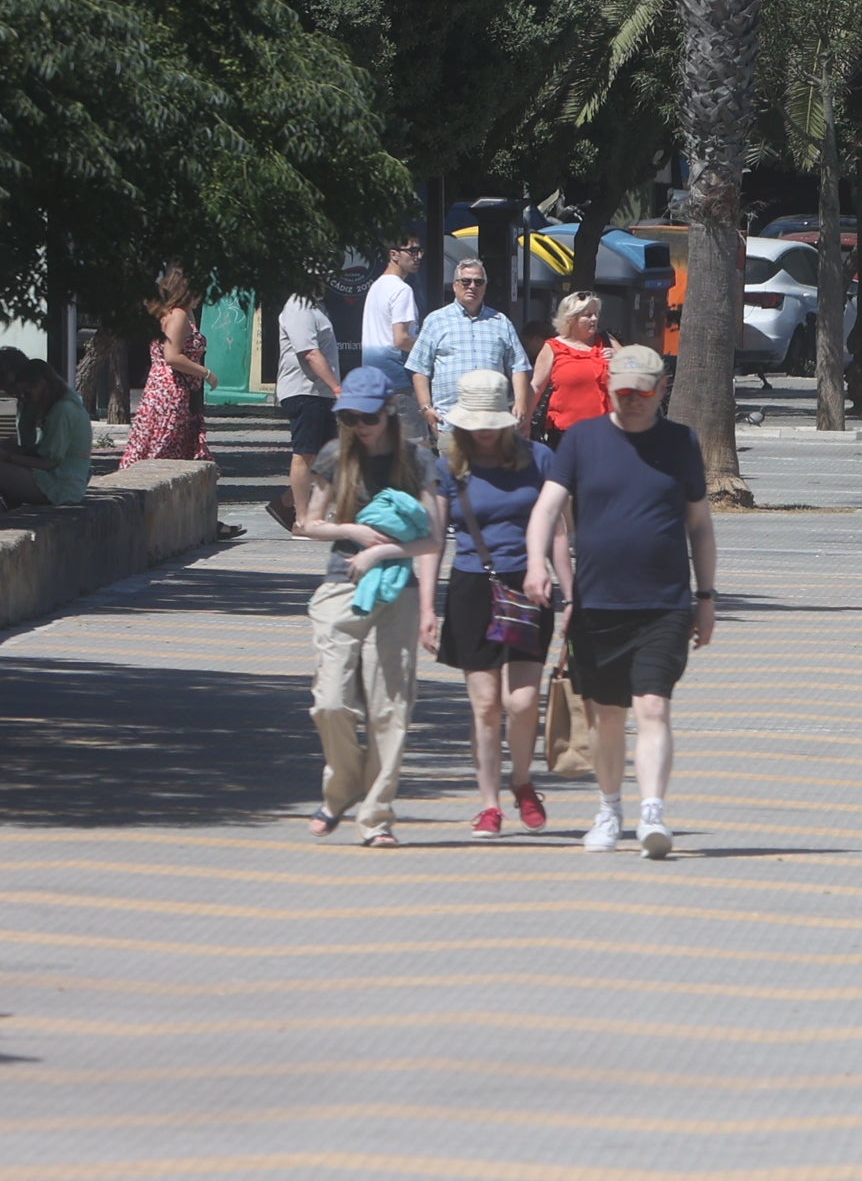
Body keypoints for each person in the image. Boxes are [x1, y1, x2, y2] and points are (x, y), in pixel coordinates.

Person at [524, 344, 716, 859]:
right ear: (609, 389)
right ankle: (610, 809)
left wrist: (706, 597)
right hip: (598, 604)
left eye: (642, 393)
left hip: (665, 602)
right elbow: (546, 509)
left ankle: (653, 811)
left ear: (660, 391)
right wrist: (537, 565)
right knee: (606, 717)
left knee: (654, 706)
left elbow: (699, 526)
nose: (631, 401)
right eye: (623, 392)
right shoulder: (582, 440)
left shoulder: (680, 442)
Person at [294, 366, 445, 848]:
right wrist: (354, 532)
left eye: (367, 417)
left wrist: (384, 554)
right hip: (342, 586)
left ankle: (376, 817)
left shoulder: (418, 461)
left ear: (388, 411)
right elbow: (308, 524)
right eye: (350, 417)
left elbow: (433, 540)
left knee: (389, 710)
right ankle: (341, 789)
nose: (359, 425)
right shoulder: (337, 457)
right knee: (330, 702)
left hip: (396, 588)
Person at [432, 369, 562, 838]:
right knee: (487, 704)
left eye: (492, 421)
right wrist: (427, 607)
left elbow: (560, 530)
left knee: (522, 700)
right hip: (472, 586)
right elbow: (433, 540)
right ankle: (489, 804)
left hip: (529, 585)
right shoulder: (450, 466)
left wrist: (573, 590)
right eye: (476, 423)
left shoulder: (540, 459)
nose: (484, 431)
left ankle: (522, 781)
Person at [0, 347, 92, 518]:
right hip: (44, 470)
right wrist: (2, 446)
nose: (17, 395)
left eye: (19, 390)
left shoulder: (62, 409)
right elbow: (28, 445)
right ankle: (6, 511)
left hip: (58, 481)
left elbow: (48, 461)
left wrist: (6, 456)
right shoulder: (34, 399)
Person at [411, 257, 528, 432]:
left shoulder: (501, 322)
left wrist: (520, 402)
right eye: (465, 281)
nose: (472, 286)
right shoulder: (435, 321)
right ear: (454, 285)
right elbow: (419, 368)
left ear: (485, 287)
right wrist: (426, 407)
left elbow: (518, 366)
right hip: (449, 423)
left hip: (493, 424)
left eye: (478, 282)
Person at [120, 264, 209, 466]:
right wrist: (205, 372)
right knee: (164, 445)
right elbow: (172, 356)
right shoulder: (178, 315)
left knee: (158, 442)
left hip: (165, 387)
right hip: (172, 389)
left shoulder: (174, 313)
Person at [271, 285, 340, 528]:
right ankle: (301, 520)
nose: (325, 279)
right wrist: (338, 389)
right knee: (305, 453)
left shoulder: (316, 306)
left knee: (326, 457)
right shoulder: (298, 305)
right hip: (304, 391)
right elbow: (310, 353)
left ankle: (286, 503)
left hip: (319, 393)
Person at [528, 290, 614, 441]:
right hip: (565, 434)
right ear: (571, 319)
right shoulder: (553, 347)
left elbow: (637, 368)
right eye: (588, 315)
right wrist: (524, 419)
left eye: (596, 314)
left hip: (605, 433)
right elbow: (536, 387)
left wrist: (620, 360)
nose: (594, 319)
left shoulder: (606, 341)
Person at [362, 235, 426, 362]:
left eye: (420, 251)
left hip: (372, 369)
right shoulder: (402, 289)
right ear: (394, 255)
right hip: (396, 370)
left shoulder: (376, 286)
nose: (418, 256)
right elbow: (402, 339)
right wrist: (429, 350)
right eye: (412, 251)